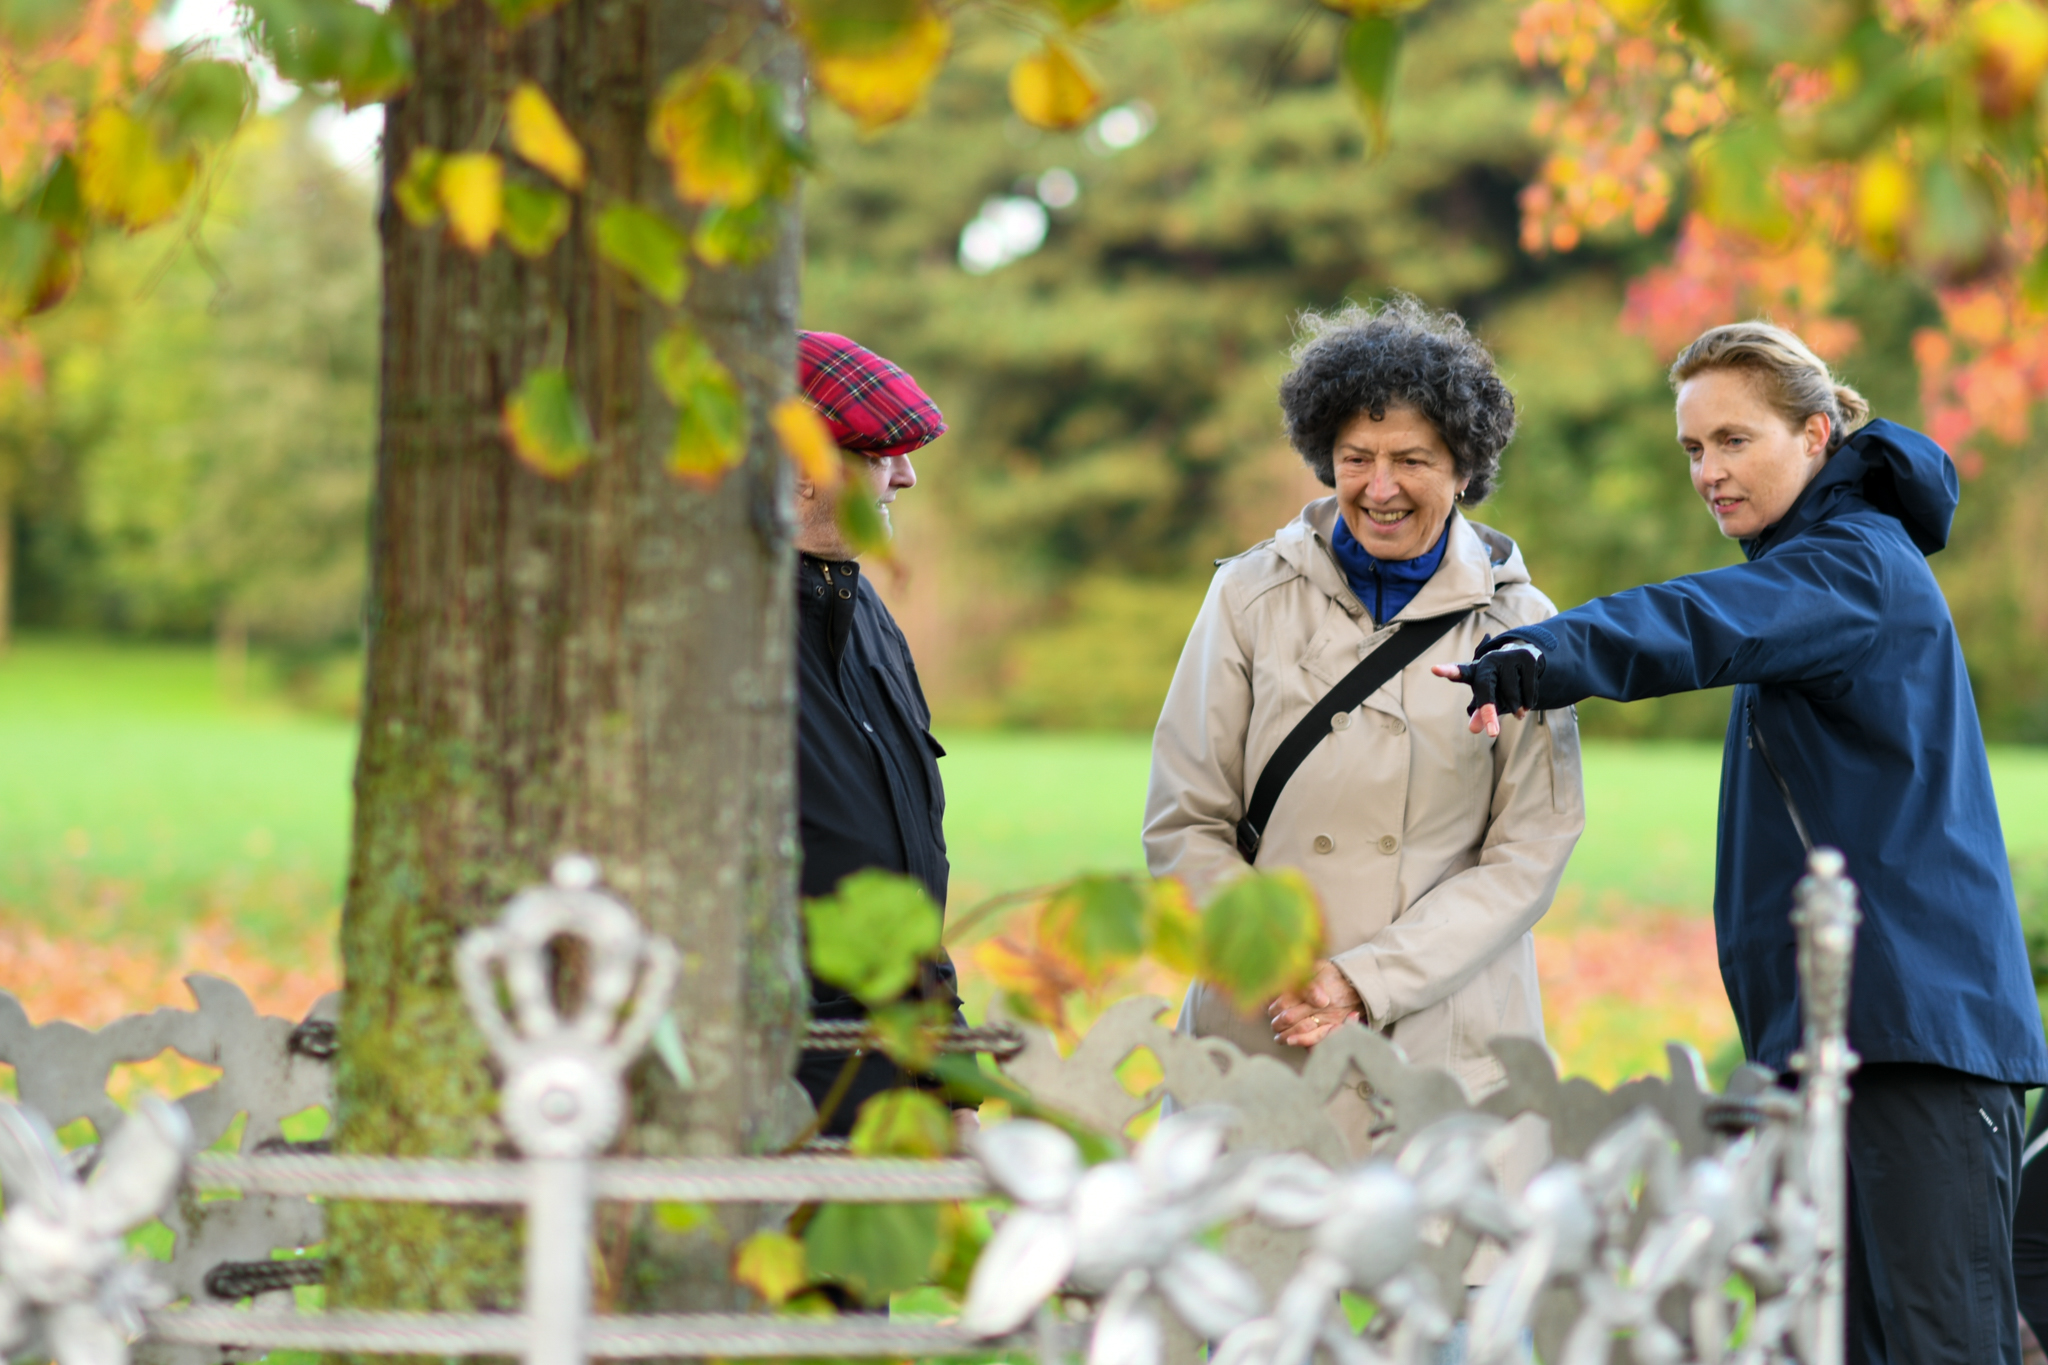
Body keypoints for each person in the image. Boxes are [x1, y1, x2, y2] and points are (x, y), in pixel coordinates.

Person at [1439, 320, 2048, 1365]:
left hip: (1915, 1045)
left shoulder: (1855, 564)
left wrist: (1547, 651)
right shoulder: (1818, 569)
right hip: (1841, 1043)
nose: (1707, 472)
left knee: (1940, 1348)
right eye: (1691, 449)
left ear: (1814, 435)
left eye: (1733, 440)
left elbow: (1702, 619)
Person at [1144, 296, 1585, 1147]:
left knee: (1438, 1237)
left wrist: (1366, 979)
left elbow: (1532, 847)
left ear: (1463, 467)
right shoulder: (1246, 596)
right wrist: (1277, 964)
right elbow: (1183, 819)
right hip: (1264, 1031)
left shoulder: (1523, 622)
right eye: (1356, 458)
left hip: (1447, 1044)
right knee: (1253, 1237)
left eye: (1412, 459)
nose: (1380, 488)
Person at [787, 330, 966, 1138]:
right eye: (879, 453)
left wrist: (950, 1081)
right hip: (777, 1108)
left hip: (890, 1098)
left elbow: (906, 878)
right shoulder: (713, 643)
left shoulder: (868, 618)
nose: (906, 474)